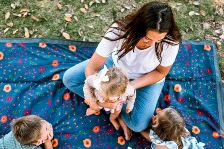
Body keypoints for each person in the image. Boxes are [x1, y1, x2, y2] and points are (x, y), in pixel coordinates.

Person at [63, 1, 181, 140]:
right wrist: (99, 95)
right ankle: (111, 108)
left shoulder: (171, 42)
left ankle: (115, 111)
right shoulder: (119, 30)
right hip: (115, 69)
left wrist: (130, 87)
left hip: (146, 79)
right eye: (148, 38)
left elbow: (160, 72)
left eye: (159, 40)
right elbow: (92, 68)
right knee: (69, 79)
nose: (153, 44)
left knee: (138, 125)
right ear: (138, 28)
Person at [83, 66, 136, 132]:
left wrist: (130, 105)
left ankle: (112, 119)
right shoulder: (96, 81)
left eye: (111, 98)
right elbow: (87, 83)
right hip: (98, 99)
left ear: (121, 92)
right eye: (105, 95)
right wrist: (88, 97)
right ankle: (94, 109)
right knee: (95, 106)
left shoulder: (128, 90)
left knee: (116, 112)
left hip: (117, 104)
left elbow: (132, 96)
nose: (108, 100)